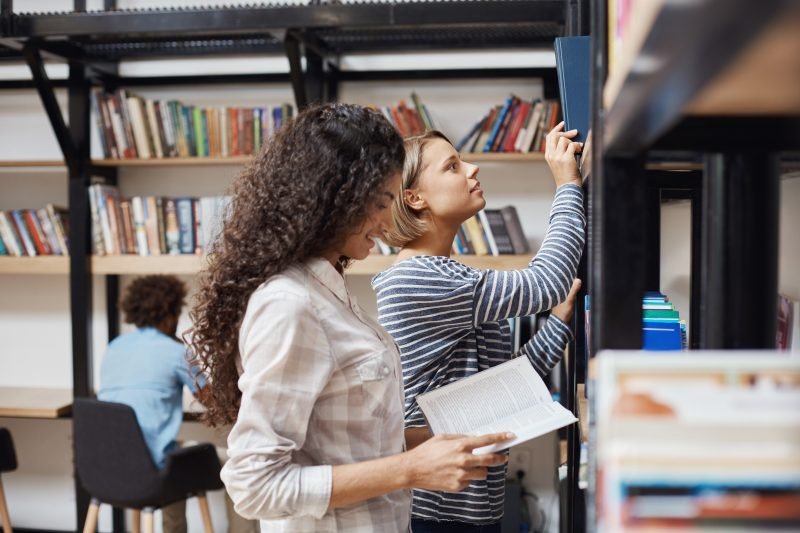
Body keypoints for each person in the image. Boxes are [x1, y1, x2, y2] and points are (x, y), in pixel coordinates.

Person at [186, 103, 514, 532]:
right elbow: (254, 485)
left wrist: (432, 445)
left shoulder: (329, 291)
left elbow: (346, 439)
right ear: (335, 200)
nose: (387, 218)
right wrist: (410, 469)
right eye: (381, 201)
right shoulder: (291, 305)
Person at [372, 123, 586, 532]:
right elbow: (548, 282)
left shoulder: (449, 274)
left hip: (474, 504)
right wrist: (567, 183)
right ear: (415, 197)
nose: (472, 168)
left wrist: (559, 319)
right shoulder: (419, 279)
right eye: (452, 166)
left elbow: (508, 384)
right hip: (434, 510)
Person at [97, 274, 258, 533]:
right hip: (153, 468)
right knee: (235, 465)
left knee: (172, 455)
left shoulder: (115, 347)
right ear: (170, 313)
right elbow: (213, 402)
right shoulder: (175, 352)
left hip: (108, 464)